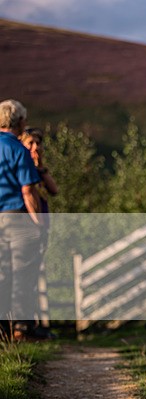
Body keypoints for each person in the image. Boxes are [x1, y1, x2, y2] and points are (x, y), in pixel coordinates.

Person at [0, 100, 43, 341]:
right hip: (15, 218)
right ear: (19, 122)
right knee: (22, 274)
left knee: (2, 275)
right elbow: (28, 191)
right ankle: (20, 330)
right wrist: (38, 223)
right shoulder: (18, 150)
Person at [20, 127, 58, 339]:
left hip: (42, 225)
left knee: (33, 275)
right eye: (30, 143)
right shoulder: (21, 167)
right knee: (24, 276)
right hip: (27, 226)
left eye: (38, 143)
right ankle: (24, 325)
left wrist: (40, 166)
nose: (36, 148)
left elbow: (54, 189)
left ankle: (31, 323)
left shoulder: (37, 169)